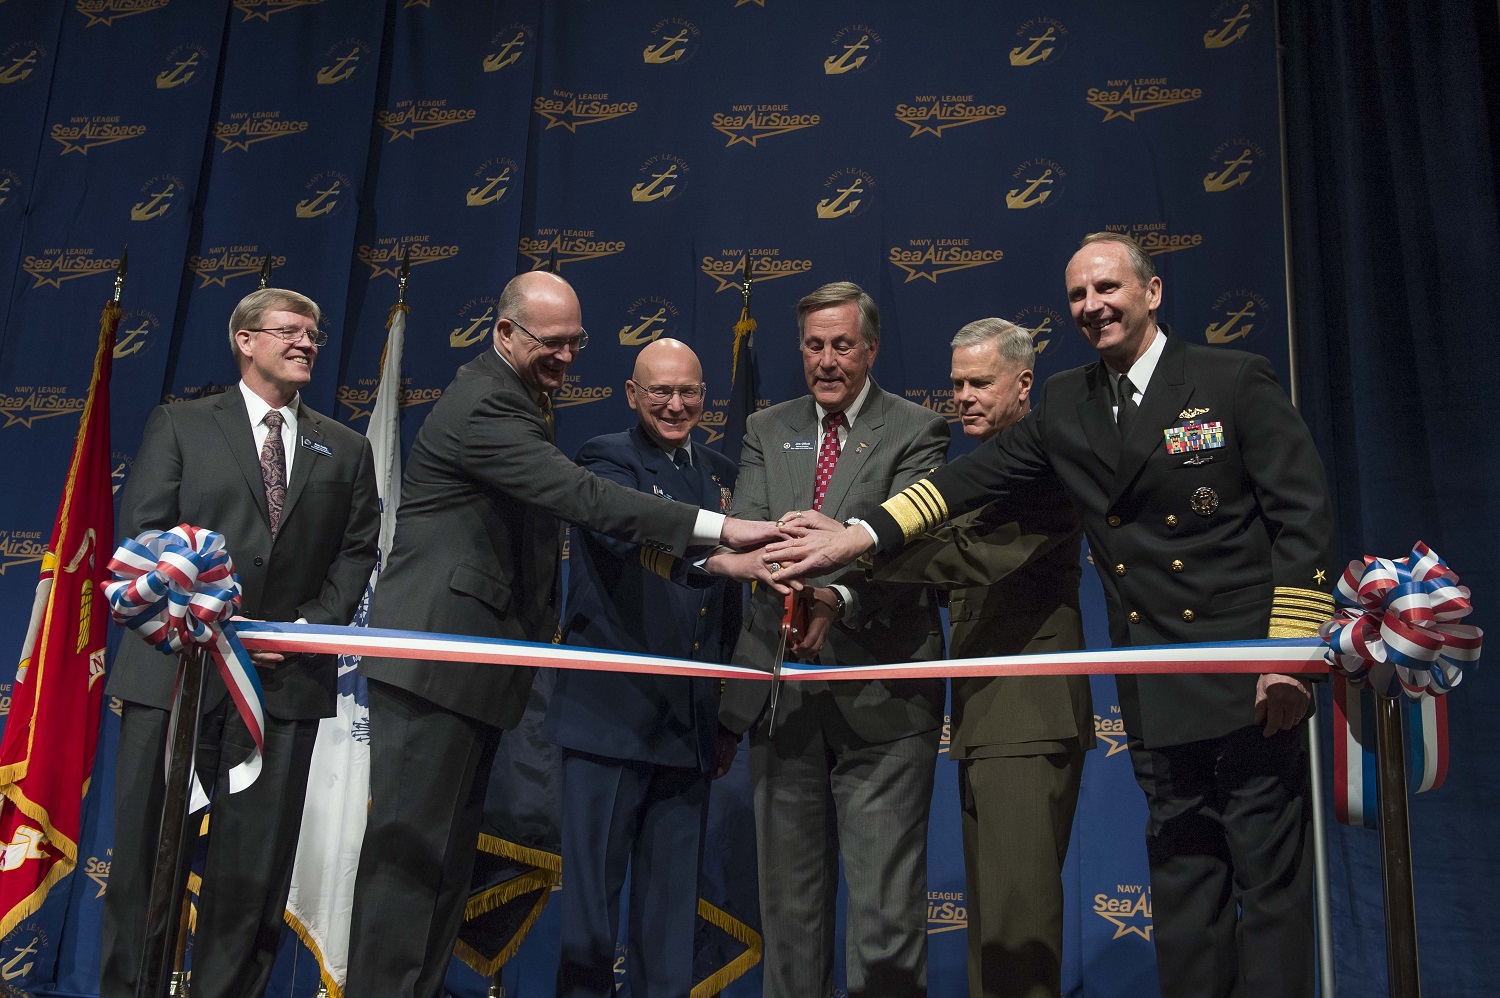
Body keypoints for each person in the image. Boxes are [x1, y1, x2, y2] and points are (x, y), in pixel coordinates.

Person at [764, 234, 1335, 998]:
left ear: (1152, 291)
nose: (1093, 306)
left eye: (1108, 288)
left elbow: (1304, 521)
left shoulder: (1233, 381)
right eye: (1077, 295)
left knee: (1269, 890)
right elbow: (964, 485)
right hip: (1156, 693)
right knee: (1185, 893)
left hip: (1248, 681)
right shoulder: (1071, 402)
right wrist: (859, 534)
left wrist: (1289, 656)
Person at [345, 271, 781, 998]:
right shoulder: (487, 403)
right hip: (437, 663)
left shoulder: (521, 396)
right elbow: (581, 496)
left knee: (444, 870)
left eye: (576, 342)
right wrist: (719, 530)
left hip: (476, 676)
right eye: (553, 342)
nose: (567, 356)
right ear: (505, 332)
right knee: (410, 866)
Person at [102, 289, 380, 998]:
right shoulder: (181, 425)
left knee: (251, 878)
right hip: (175, 675)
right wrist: (203, 621)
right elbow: (146, 537)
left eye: (314, 333)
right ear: (245, 342)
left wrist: (309, 629)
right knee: (143, 865)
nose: (306, 342)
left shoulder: (345, 448)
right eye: (289, 330)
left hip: (282, 686)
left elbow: (357, 552)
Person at [717, 281, 950, 998]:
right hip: (783, 696)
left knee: (884, 920)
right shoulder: (767, 427)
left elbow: (916, 551)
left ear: (870, 348)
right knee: (789, 919)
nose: (826, 361)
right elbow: (755, 528)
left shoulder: (918, 430)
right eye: (814, 345)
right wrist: (796, 581)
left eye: (841, 345)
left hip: (881, 699)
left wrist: (837, 594)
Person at [868, 318, 1092, 998]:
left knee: (1018, 927)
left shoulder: (1050, 467)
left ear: (1024, 384)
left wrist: (856, 548)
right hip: (984, 717)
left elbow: (969, 558)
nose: (961, 396)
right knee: (993, 925)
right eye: (956, 383)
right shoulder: (972, 472)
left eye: (979, 383)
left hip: (1027, 718)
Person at [541, 338, 742, 998]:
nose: (676, 404)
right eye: (661, 392)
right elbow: (627, 536)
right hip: (610, 719)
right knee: (591, 915)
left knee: (669, 918)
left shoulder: (719, 472)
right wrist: (718, 553)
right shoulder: (606, 458)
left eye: (689, 392)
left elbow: (733, 605)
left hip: (688, 727)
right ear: (632, 395)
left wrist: (727, 719)